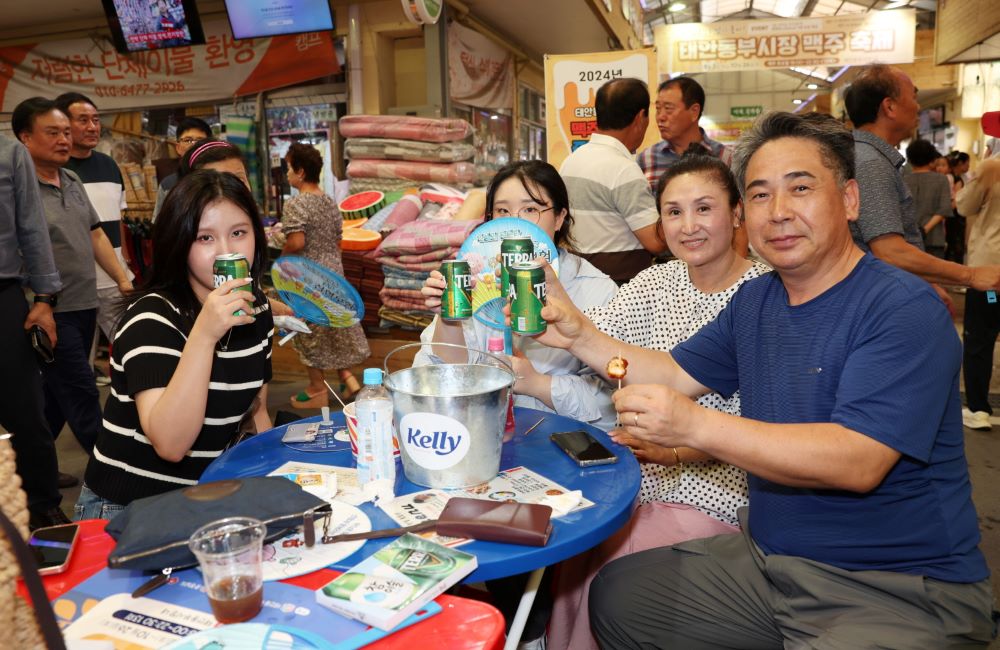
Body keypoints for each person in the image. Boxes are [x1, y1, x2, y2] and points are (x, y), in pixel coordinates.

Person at [532, 111, 994, 648]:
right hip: (769, 562)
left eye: (799, 188)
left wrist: (693, 427)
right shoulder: (758, 300)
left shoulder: (900, 307)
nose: (778, 212)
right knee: (620, 596)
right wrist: (579, 336)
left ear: (849, 200)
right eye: (759, 194)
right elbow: (674, 372)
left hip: (893, 587)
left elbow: (858, 460)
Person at [547, 155, 769, 650]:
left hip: (720, 488)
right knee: (567, 547)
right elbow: (594, 340)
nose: (688, 226)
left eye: (704, 208)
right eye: (673, 212)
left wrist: (675, 450)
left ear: (736, 214)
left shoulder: (762, 296)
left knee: (612, 567)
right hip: (633, 478)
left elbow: (766, 433)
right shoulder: (655, 282)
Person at [76, 170, 273, 518]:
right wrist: (204, 334)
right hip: (128, 509)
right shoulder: (151, 319)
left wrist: (274, 479)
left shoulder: (256, 305)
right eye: (204, 238)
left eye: (239, 233)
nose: (226, 251)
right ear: (179, 244)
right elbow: (171, 444)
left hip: (206, 497)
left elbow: (255, 409)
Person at [418, 160, 618, 432]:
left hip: (565, 443)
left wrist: (537, 384)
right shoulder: (476, 277)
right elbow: (438, 376)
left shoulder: (596, 289)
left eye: (531, 209)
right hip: (484, 434)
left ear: (560, 217)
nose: (514, 222)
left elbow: (612, 403)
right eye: (502, 210)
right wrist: (448, 320)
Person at [13, 97, 132, 461]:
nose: (65, 139)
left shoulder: (71, 178)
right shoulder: (16, 189)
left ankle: (29, 471)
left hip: (84, 302)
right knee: (81, 392)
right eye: (53, 132)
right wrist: (39, 301)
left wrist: (123, 279)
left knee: (55, 394)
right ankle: (114, 476)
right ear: (25, 138)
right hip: (48, 309)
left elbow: (96, 234)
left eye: (67, 131)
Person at [846, 64, 1000, 301]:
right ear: (889, 107)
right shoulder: (871, 163)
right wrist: (970, 275)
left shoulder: (871, 157)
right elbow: (890, 252)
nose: (918, 107)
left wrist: (929, 281)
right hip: (882, 300)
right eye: (914, 97)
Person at [0, 134, 68, 530]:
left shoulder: (10, 153)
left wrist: (45, 298)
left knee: (26, 412)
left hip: (5, 297)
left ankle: (43, 507)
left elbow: (31, 226)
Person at [281, 143, 369, 408]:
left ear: (300, 171)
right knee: (335, 327)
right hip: (334, 271)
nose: (286, 174)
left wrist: (281, 260)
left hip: (308, 274)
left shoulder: (296, 204)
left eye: (288, 168)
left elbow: (296, 242)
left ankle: (317, 388)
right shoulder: (329, 202)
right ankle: (347, 378)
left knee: (308, 329)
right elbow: (338, 241)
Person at [54, 92, 134, 384]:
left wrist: (125, 263)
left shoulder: (109, 165)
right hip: (75, 286)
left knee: (132, 349)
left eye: (96, 120)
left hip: (116, 280)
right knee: (78, 367)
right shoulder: (56, 171)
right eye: (83, 120)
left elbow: (118, 221)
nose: (92, 127)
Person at [559, 78, 668, 285]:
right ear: (640, 118)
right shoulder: (624, 169)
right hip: (618, 286)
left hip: (577, 280)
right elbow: (656, 242)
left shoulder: (570, 161)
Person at [636, 77, 749, 258]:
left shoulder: (726, 158)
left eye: (668, 109)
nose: (660, 117)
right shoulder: (646, 160)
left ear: (694, 111)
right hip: (666, 264)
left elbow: (741, 223)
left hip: (720, 264)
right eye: (657, 109)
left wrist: (739, 279)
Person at [959, 158, 1000, 431]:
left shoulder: (992, 167)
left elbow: (964, 205)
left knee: (981, 340)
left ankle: (978, 410)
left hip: (991, 271)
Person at [903, 139, 952, 259]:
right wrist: (924, 230)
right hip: (934, 238)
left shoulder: (902, 180)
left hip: (906, 238)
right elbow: (944, 209)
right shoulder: (941, 179)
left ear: (909, 159)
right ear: (932, 159)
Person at [154, 116, 212, 218]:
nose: (194, 145)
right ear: (178, 148)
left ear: (210, 146)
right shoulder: (167, 185)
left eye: (200, 140)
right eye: (188, 140)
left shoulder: (220, 179)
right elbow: (159, 225)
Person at [946, 151, 971, 264]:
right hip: (955, 215)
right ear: (960, 163)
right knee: (956, 241)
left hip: (950, 214)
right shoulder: (957, 179)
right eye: (967, 163)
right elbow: (956, 201)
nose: (968, 166)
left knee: (951, 241)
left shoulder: (951, 177)